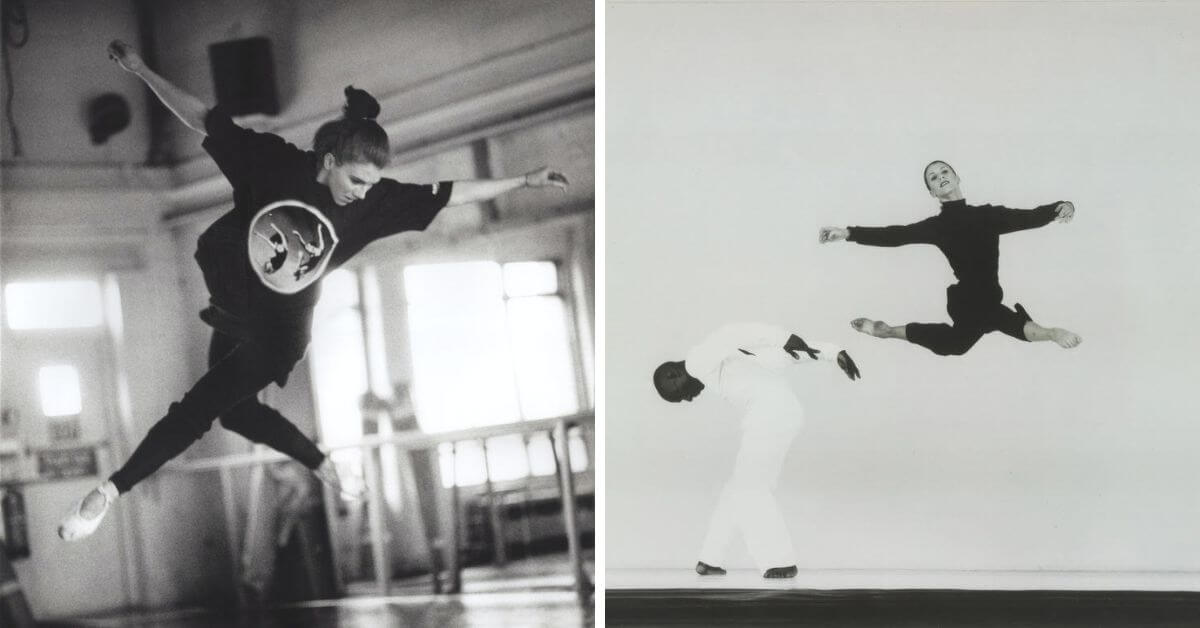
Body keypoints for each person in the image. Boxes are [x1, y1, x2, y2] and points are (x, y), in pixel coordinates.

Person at [58, 40, 570, 542]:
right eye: (355, 179)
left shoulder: (375, 203)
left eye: (372, 184)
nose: (362, 193)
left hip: (281, 330)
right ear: (326, 160)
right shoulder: (272, 163)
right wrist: (142, 69)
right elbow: (204, 119)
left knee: (208, 408)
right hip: (235, 302)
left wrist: (523, 180)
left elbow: (450, 194)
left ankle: (107, 492)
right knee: (232, 403)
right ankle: (324, 464)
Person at [652, 323, 861, 578]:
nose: (687, 399)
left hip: (772, 416)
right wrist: (832, 352)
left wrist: (784, 336)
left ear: (673, 375)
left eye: (677, 396)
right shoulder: (734, 359)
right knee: (737, 487)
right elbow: (785, 355)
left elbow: (734, 333)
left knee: (752, 488)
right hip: (777, 415)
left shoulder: (696, 362)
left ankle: (780, 561)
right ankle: (709, 558)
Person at [818, 160, 1082, 356]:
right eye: (933, 177)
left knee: (974, 332)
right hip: (965, 301)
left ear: (957, 177)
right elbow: (895, 235)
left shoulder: (988, 216)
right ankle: (886, 331)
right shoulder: (938, 226)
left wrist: (1062, 207)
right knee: (966, 339)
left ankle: (1050, 333)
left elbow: (1030, 217)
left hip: (991, 296)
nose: (940, 176)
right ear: (932, 192)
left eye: (944, 171)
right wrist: (848, 233)